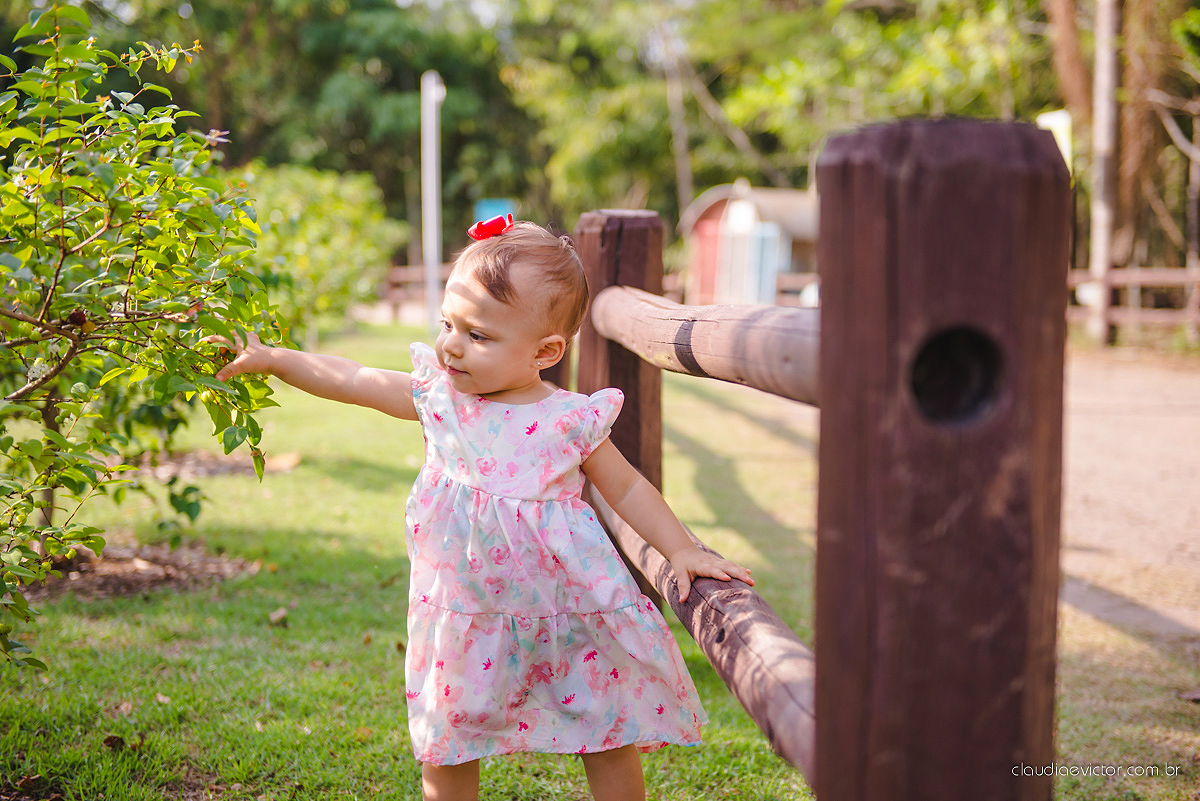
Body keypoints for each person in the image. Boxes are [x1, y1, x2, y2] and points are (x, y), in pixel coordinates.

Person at [212, 216, 755, 801]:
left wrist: (681, 550)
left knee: (605, 727)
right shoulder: (438, 399)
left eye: (478, 335)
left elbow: (626, 489)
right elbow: (352, 378)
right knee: (447, 737)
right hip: (464, 614)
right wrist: (273, 359)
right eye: (449, 323)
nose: (450, 344)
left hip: (564, 609)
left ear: (545, 351)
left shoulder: (569, 418)